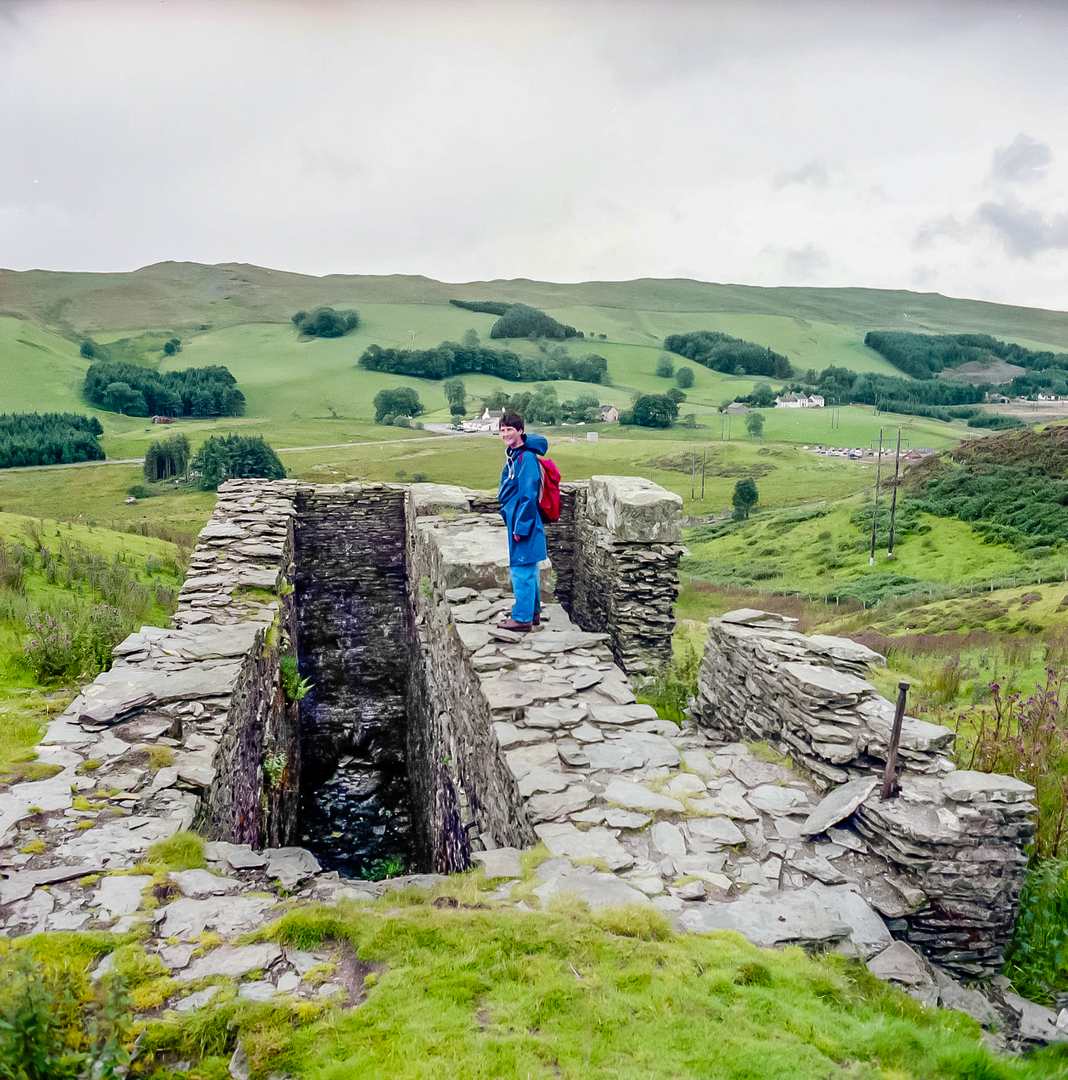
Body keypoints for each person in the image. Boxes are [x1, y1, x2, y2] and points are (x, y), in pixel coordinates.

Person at [496, 411, 548, 632]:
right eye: (502, 430)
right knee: (529, 567)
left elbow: (528, 493)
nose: (506, 434)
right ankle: (532, 613)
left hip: (523, 520)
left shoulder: (525, 457)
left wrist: (521, 526)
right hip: (519, 518)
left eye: (510, 429)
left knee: (521, 568)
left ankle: (522, 618)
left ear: (520, 431)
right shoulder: (516, 453)